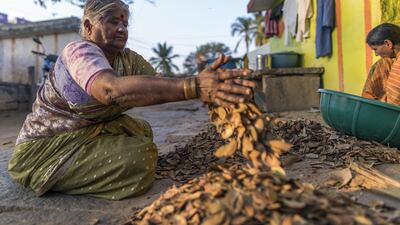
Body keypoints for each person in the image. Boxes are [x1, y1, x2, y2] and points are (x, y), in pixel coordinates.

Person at [8, 0, 255, 201]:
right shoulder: (79, 52)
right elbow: (111, 90)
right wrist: (195, 87)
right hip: (47, 147)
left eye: (124, 23)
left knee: (142, 130)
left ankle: (87, 166)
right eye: (113, 21)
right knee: (140, 156)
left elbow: (160, 83)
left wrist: (205, 80)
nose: (122, 29)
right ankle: (51, 176)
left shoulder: (128, 59)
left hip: (88, 132)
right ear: (89, 25)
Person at [362, 23, 400, 104]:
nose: (376, 54)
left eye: (375, 49)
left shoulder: (398, 65)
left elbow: (394, 104)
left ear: (388, 43)